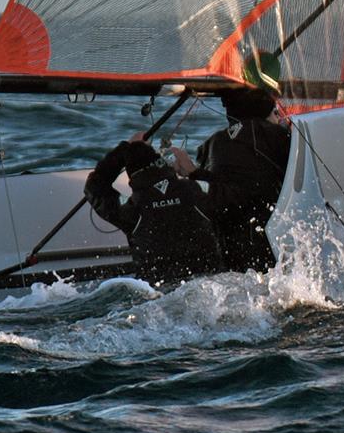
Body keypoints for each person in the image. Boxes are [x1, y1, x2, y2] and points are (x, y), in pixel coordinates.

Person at [170, 88, 291, 272]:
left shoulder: (209, 145)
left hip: (228, 250)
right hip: (269, 246)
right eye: (275, 111)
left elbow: (228, 190)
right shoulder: (279, 137)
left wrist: (194, 173)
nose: (279, 116)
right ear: (265, 110)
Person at [84, 136, 224, 285]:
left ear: (132, 174)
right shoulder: (197, 190)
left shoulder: (132, 208)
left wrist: (123, 150)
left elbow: (94, 186)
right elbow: (234, 187)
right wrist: (194, 172)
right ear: (162, 163)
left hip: (158, 292)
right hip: (211, 282)